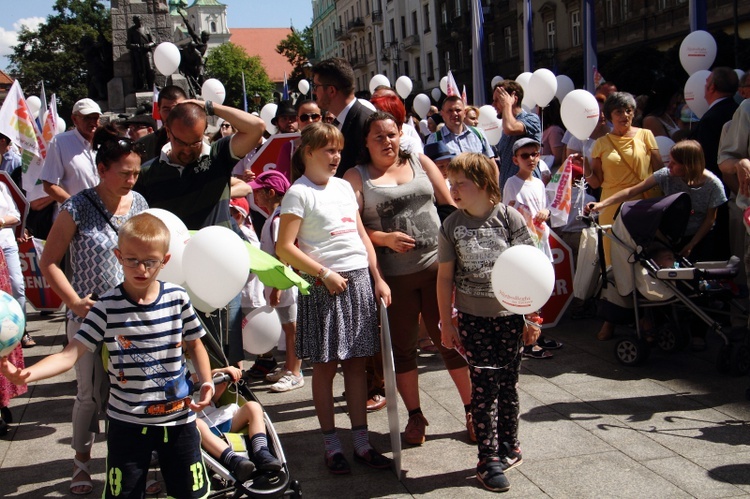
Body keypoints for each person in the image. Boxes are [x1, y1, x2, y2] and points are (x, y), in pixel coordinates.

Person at [2, 213, 214, 498]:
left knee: (188, 492)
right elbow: (70, 354)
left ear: (164, 260)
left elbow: (196, 344)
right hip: (127, 424)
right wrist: (28, 373)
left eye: (150, 261)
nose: (141, 268)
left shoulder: (177, 298)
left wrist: (207, 380)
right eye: (131, 259)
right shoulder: (106, 307)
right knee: (124, 493)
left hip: (178, 422)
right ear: (118, 255)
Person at [344, 112, 473, 445]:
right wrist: (383, 238)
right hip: (395, 279)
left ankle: (474, 411)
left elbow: (448, 207)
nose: (387, 141)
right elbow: (350, 227)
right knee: (402, 351)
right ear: (365, 143)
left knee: (450, 341)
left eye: (392, 134)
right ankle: (416, 417)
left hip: (435, 272)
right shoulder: (357, 177)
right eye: (379, 137)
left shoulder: (420, 161)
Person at [275, 123, 392, 474]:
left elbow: (361, 238)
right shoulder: (298, 193)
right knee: (325, 369)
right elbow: (284, 248)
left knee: (357, 365)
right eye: (328, 150)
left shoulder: (343, 186)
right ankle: (331, 445)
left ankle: (360, 443)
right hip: (324, 286)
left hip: (357, 281)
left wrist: (377, 277)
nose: (336, 156)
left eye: (338, 149)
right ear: (308, 152)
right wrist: (324, 274)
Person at [38, 126, 149, 495]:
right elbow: (49, 261)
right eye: (124, 172)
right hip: (88, 317)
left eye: (136, 172)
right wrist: (73, 302)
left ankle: (137, 466)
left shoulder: (140, 204)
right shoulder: (76, 206)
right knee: (87, 394)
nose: (131, 180)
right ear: (102, 168)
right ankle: (81, 465)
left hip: (132, 318)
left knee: (134, 393)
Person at [134, 99, 266, 370]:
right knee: (181, 358)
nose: (189, 150)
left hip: (220, 272)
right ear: (168, 133)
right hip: (173, 277)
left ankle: (232, 408)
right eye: (182, 143)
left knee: (228, 356)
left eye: (196, 142)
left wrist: (210, 106)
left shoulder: (217, 157)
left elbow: (256, 127)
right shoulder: (148, 174)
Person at [437, 152, 537, 493]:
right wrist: (446, 324)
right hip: (473, 318)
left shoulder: (510, 219)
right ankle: (488, 459)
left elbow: (532, 270)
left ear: (481, 184)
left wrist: (532, 317)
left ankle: (510, 444)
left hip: (510, 318)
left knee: (508, 383)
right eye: (450, 184)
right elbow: (445, 278)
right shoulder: (451, 225)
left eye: (459, 184)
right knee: (483, 386)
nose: (453, 191)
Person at [585, 92, 664, 341]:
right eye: (619, 111)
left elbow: (660, 172)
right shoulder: (601, 143)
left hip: (643, 206)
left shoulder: (646, 135)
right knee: (614, 267)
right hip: (611, 208)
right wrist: (585, 169)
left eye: (629, 110)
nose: (625, 115)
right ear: (609, 117)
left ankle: (647, 319)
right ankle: (611, 320)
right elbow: (597, 182)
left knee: (644, 262)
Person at [588, 140, 726, 261]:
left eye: (674, 163)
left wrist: (691, 245)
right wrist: (601, 204)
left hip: (699, 237)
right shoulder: (666, 175)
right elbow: (632, 191)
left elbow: (710, 219)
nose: (669, 166)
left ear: (688, 165)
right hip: (672, 235)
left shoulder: (713, 185)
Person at [250, 170, 303, 392]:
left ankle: (295, 372)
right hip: (278, 283)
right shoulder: (274, 218)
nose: (255, 196)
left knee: (292, 329)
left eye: (258, 192)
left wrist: (279, 288)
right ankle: (289, 367)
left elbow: (283, 255)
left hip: (284, 283)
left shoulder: (279, 220)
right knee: (287, 327)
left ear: (271, 193)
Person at [195, 366, 281, 482]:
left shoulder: (195, 359)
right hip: (198, 425)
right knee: (197, 424)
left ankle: (261, 452)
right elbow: (194, 378)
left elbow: (213, 395)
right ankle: (235, 461)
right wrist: (220, 371)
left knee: (253, 407)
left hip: (218, 416)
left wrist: (222, 380)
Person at [691, 67, 739, 261]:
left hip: (720, 192)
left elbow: (706, 161)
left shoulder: (711, 119)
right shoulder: (736, 110)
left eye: (706, 82)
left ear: (712, 88)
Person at [312, 58, 373, 177]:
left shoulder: (366, 122)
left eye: (316, 86)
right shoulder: (338, 122)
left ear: (331, 90)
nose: (314, 92)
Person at [40, 98, 102, 204]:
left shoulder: (105, 141)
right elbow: (49, 185)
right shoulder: (59, 142)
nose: (92, 122)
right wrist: (75, 206)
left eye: (95, 118)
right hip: (75, 217)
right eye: (87, 118)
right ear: (74, 119)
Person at [492, 80, 543, 189]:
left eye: (498, 100)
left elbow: (511, 128)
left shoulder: (531, 119)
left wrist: (506, 105)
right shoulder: (505, 127)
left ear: (513, 99)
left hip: (526, 189)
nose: (493, 105)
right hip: (509, 189)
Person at [0, 181, 28, 347]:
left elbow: (16, 216)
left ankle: (22, 330)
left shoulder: (2, 186)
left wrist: (1, 221)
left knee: (17, 286)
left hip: (7, 244)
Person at [426, 96, 494, 158]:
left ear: (464, 113)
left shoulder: (478, 133)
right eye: (450, 111)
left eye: (458, 110)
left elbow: (491, 162)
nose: (455, 114)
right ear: (442, 114)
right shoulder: (435, 139)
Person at [136, 85, 188, 163]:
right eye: (166, 110)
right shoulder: (143, 146)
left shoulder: (201, 142)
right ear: (158, 110)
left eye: (177, 108)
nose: (171, 114)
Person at [274, 99, 322, 181]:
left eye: (314, 116)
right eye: (304, 117)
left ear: (320, 118)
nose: (310, 121)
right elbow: (282, 181)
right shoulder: (289, 148)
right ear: (298, 119)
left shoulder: (332, 142)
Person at [126, 15, 156, 91]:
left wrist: (148, 45)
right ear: (134, 21)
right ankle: (141, 86)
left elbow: (154, 42)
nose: (138, 22)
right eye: (136, 21)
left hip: (147, 52)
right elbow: (128, 44)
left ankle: (152, 85)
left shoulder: (147, 29)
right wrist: (136, 46)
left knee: (150, 69)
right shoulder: (131, 30)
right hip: (137, 53)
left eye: (139, 20)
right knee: (139, 70)